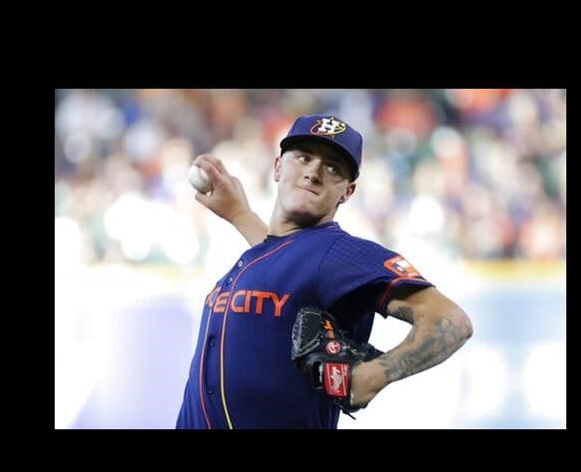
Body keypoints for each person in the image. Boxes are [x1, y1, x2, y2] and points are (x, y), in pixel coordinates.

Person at [175, 114, 473, 429]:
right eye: (304, 157)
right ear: (278, 167)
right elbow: (281, 262)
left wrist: (373, 374)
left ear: (348, 191)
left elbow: (452, 320)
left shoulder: (341, 253)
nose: (314, 172)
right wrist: (240, 214)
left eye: (332, 168)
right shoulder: (270, 257)